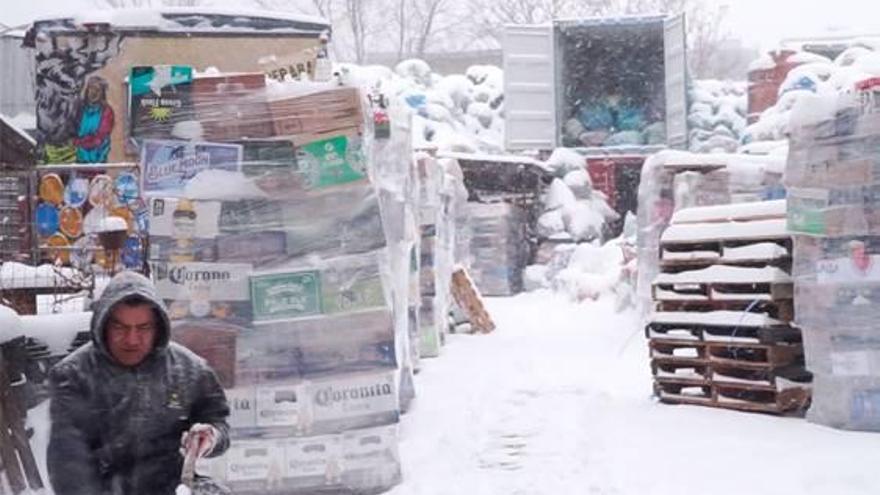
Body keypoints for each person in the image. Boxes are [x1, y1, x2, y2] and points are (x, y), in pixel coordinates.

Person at [47, 271, 231, 495]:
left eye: (143, 328)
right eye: (120, 328)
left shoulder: (190, 370)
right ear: (103, 325)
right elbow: (69, 466)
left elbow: (217, 420)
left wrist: (210, 436)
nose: (132, 340)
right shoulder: (74, 376)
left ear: (158, 327)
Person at [74, 75, 114, 163]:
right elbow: (72, 130)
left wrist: (78, 143)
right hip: (79, 159)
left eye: (97, 90)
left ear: (102, 93)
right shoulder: (80, 108)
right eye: (91, 88)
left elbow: (99, 138)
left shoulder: (106, 111)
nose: (93, 93)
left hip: (98, 159)